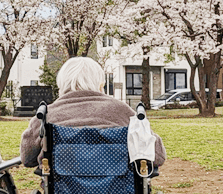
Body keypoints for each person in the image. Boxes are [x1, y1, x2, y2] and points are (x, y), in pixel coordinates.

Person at [19, 57, 166, 170]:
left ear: (61, 84)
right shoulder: (123, 111)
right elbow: (157, 155)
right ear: (101, 84)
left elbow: (27, 158)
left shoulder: (46, 115)